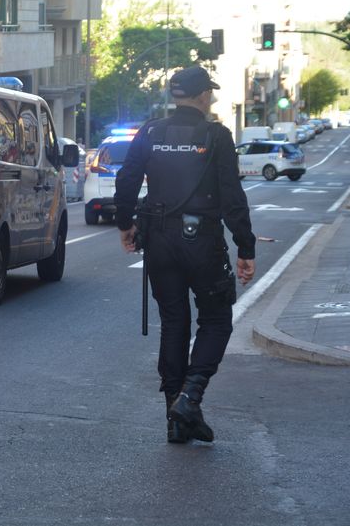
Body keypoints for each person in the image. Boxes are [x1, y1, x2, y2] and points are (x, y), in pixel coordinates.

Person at [115, 65, 256, 444]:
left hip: (158, 241)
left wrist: (125, 224)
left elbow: (127, 179)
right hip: (202, 242)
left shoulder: (150, 132)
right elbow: (232, 197)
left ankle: (175, 419)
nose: (211, 98)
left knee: (174, 322)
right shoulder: (216, 136)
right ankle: (190, 397)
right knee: (216, 320)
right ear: (202, 96)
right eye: (209, 92)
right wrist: (245, 246)